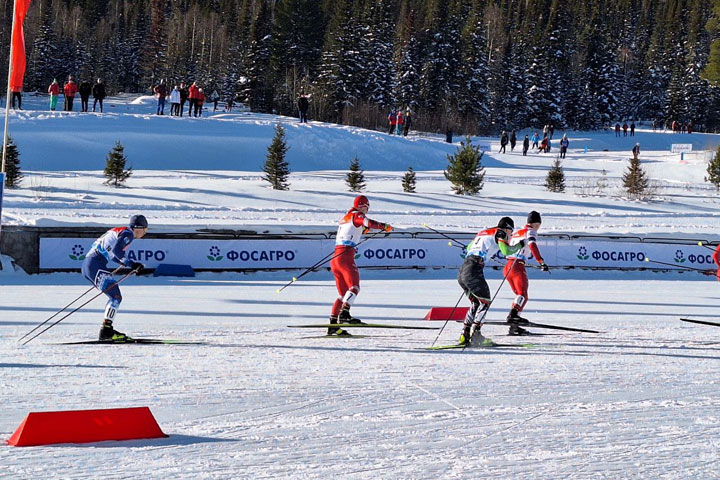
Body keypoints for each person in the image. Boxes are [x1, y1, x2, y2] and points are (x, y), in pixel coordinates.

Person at [328, 195, 392, 335]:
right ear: (363, 205)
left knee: (343, 294)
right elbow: (367, 222)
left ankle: (333, 326)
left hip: (336, 257)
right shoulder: (358, 214)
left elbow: (353, 229)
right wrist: (384, 226)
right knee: (354, 287)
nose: (367, 210)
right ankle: (344, 315)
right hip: (345, 256)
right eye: (367, 207)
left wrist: (363, 230)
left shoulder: (346, 217)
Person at [457, 217, 525, 346]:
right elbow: (506, 251)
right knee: (485, 302)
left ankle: (465, 334)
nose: (510, 235)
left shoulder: (483, 232)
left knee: (476, 302)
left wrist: (486, 256)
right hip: (473, 269)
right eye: (511, 231)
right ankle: (476, 335)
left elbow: (469, 248)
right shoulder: (501, 233)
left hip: (463, 270)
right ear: (507, 228)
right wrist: (519, 245)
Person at [81, 215, 148, 341]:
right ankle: (106, 331)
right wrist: (132, 264)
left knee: (115, 295)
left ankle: (107, 329)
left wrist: (126, 263)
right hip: (95, 265)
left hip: (89, 265)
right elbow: (117, 251)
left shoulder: (121, 230)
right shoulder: (128, 234)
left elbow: (112, 255)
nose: (145, 233)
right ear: (139, 228)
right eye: (145, 230)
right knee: (115, 297)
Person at [504, 211, 549, 335]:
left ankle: (514, 326)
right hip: (517, 267)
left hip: (508, 266)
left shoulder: (517, 233)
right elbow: (532, 245)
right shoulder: (530, 231)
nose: (538, 227)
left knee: (519, 295)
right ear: (536, 223)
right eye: (539, 224)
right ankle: (513, 316)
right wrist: (541, 261)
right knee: (523, 295)